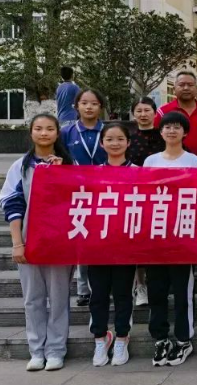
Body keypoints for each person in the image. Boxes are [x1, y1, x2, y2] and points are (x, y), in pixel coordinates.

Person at [1, 114, 74, 372]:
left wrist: (61, 174)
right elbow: (12, 204)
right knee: (32, 298)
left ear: (57, 133)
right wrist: (17, 242)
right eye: (39, 129)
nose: (44, 133)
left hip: (60, 244)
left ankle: (56, 350)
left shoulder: (69, 164)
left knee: (59, 298)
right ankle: (36, 350)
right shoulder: (20, 166)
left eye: (49, 129)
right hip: (29, 242)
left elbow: (77, 200)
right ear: (31, 133)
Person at [143, 111, 197, 367]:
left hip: (183, 237)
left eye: (177, 127)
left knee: (182, 292)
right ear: (160, 131)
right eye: (167, 127)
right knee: (156, 291)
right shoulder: (150, 161)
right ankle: (160, 338)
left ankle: (183, 339)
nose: (171, 131)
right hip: (156, 237)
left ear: (185, 132)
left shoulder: (194, 161)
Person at [86, 122, 137, 367]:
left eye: (120, 139)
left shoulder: (139, 172)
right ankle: (100, 338)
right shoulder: (92, 173)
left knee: (123, 294)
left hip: (126, 246)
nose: (114, 143)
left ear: (128, 143)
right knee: (98, 295)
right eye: (109, 139)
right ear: (101, 143)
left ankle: (122, 338)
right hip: (97, 246)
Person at [60, 88, 107, 306]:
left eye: (94, 103)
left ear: (100, 107)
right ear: (76, 106)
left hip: (105, 193)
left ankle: (105, 286)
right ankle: (83, 288)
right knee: (82, 239)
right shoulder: (67, 132)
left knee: (105, 239)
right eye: (84, 103)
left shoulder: (108, 130)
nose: (89, 107)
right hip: (77, 194)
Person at [127, 97, 163, 308]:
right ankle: (140, 285)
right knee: (137, 242)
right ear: (133, 114)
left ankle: (159, 284)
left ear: (155, 113)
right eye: (138, 110)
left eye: (147, 110)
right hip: (135, 197)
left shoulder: (164, 136)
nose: (143, 114)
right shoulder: (128, 138)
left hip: (162, 197)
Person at [153, 71, 197, 158]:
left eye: (190, 85)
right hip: (171, 163)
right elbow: (155, 138)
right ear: (174, 89)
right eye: (181, 85)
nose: (186, 88)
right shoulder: (163, 112)